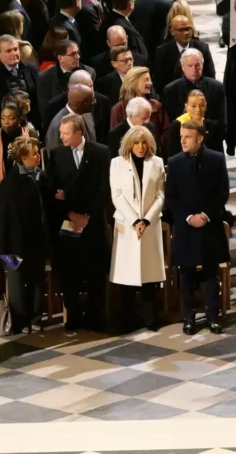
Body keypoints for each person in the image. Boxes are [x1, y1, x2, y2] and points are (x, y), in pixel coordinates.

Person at [165, 120, 229, 333]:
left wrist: (205, 215)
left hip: (209, 225)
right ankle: (189, 318)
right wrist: (189, 217)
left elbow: (223, 193)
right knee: (186, 273)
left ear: (200, 138)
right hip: (185, 226)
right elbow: (171, 197)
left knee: (211, 273)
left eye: (187, 137)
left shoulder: (217, 159)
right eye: (181, 136)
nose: (182, 140)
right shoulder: (174, 163)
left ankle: (213, 316)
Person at [49, 114, 111, 333]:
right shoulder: (55, 155)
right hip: (68, 223)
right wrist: (71, 212)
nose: (62, 137)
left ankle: (95, 316)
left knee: (95, 272)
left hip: (93, 223)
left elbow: (104, 190)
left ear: (79, 133)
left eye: (66, 133)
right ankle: (73, 315)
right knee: (70, 272)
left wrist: (86, 215)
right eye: (61, 133)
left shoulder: (100, 153)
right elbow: (53, 192)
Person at [109, 125, 167, 332]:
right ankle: (126, 318)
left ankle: (150, 317)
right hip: (127, 225)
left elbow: (160, 195)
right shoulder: (117, 164)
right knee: (126, 275)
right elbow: (117, 196)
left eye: (144, 142)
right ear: (129, 144)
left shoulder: (157, 163)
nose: (140, 147)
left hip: (149, 225)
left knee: (149, 274)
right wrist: (135, 220)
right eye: (136, 143)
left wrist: (147, 219)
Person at [0, 135, 48, 334]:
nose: (38, 157)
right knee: (16, 284)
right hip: (14, 245)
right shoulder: (10, 183)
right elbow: (4, 219)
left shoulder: (41, 177)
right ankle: (18, 321)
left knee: (37, 279)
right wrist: (4, 252)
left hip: (36, 241)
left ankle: (35, 317)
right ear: (23, 158)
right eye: (34, 154)